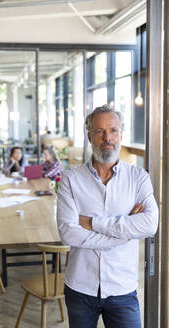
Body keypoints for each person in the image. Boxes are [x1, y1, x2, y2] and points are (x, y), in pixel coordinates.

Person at [57, 105, 159, 328]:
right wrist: (125, 234)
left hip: (122, 287)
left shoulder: (138, 177)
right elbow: (68, 233)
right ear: (89, 136)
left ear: (121, 135)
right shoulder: (70, 180)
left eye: (113, 130)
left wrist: (92, 223)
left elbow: (150, 224)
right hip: (81, 286)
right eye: (99, 131)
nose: (107, 138)